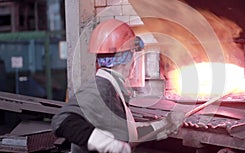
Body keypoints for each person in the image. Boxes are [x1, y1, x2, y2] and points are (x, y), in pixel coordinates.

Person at [51, 19, 185, 153]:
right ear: (126, 59)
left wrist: (165, 124)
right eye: (133, 54)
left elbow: (129, 134)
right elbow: (62, 120)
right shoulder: (100, 88)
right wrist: (107, 144)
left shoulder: (112, 87)